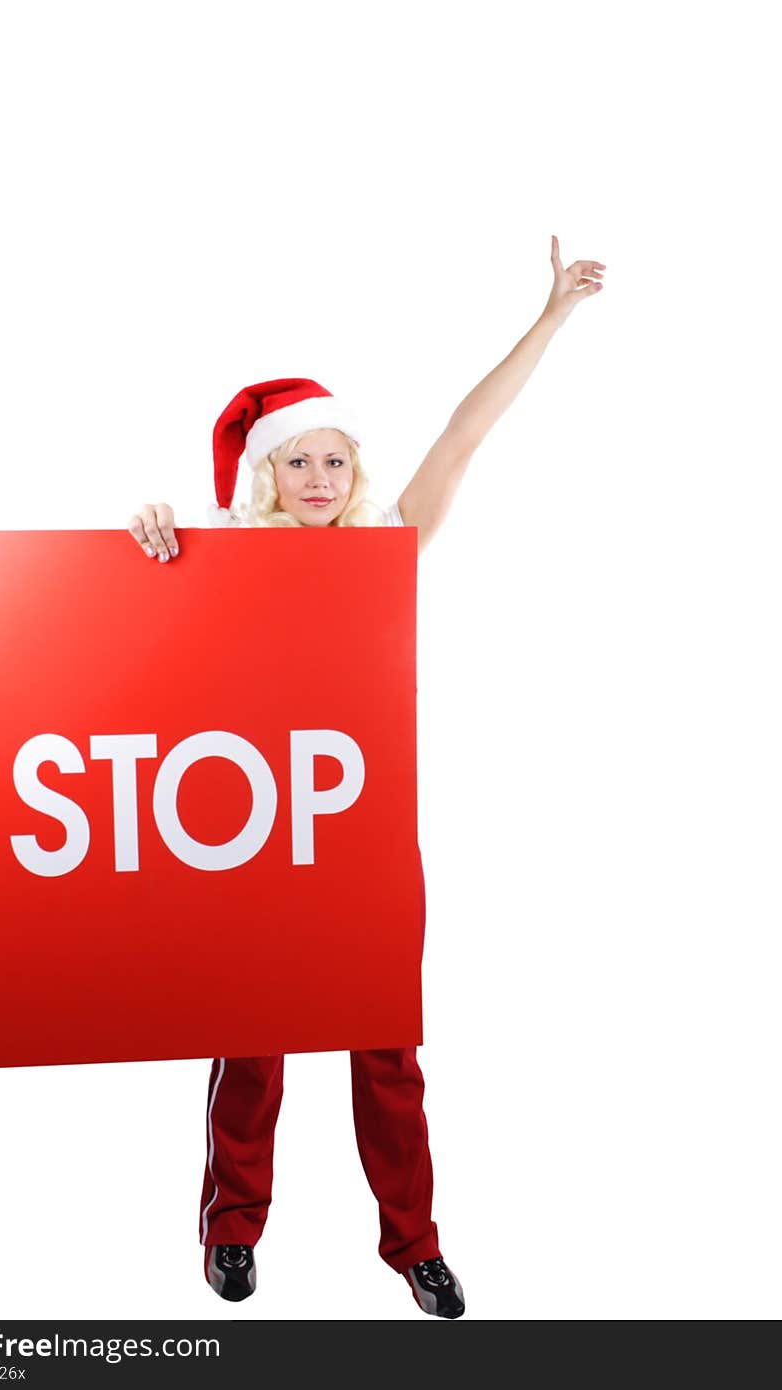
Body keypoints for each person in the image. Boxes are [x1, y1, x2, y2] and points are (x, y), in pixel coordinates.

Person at [127, 236, 605, 1318]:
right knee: (250, 1046)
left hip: (366, 846)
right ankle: (232, 1229)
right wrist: (146, 532)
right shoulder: (219, 563)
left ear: (355, 475)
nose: (316, 477)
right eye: (295, 461)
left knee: (387, 1054)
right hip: (257, 837)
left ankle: (414, 1245)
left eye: (334, 460)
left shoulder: (386, 546)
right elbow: (130, 641)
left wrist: (550, 318)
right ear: (262, 474)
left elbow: (466, 430)